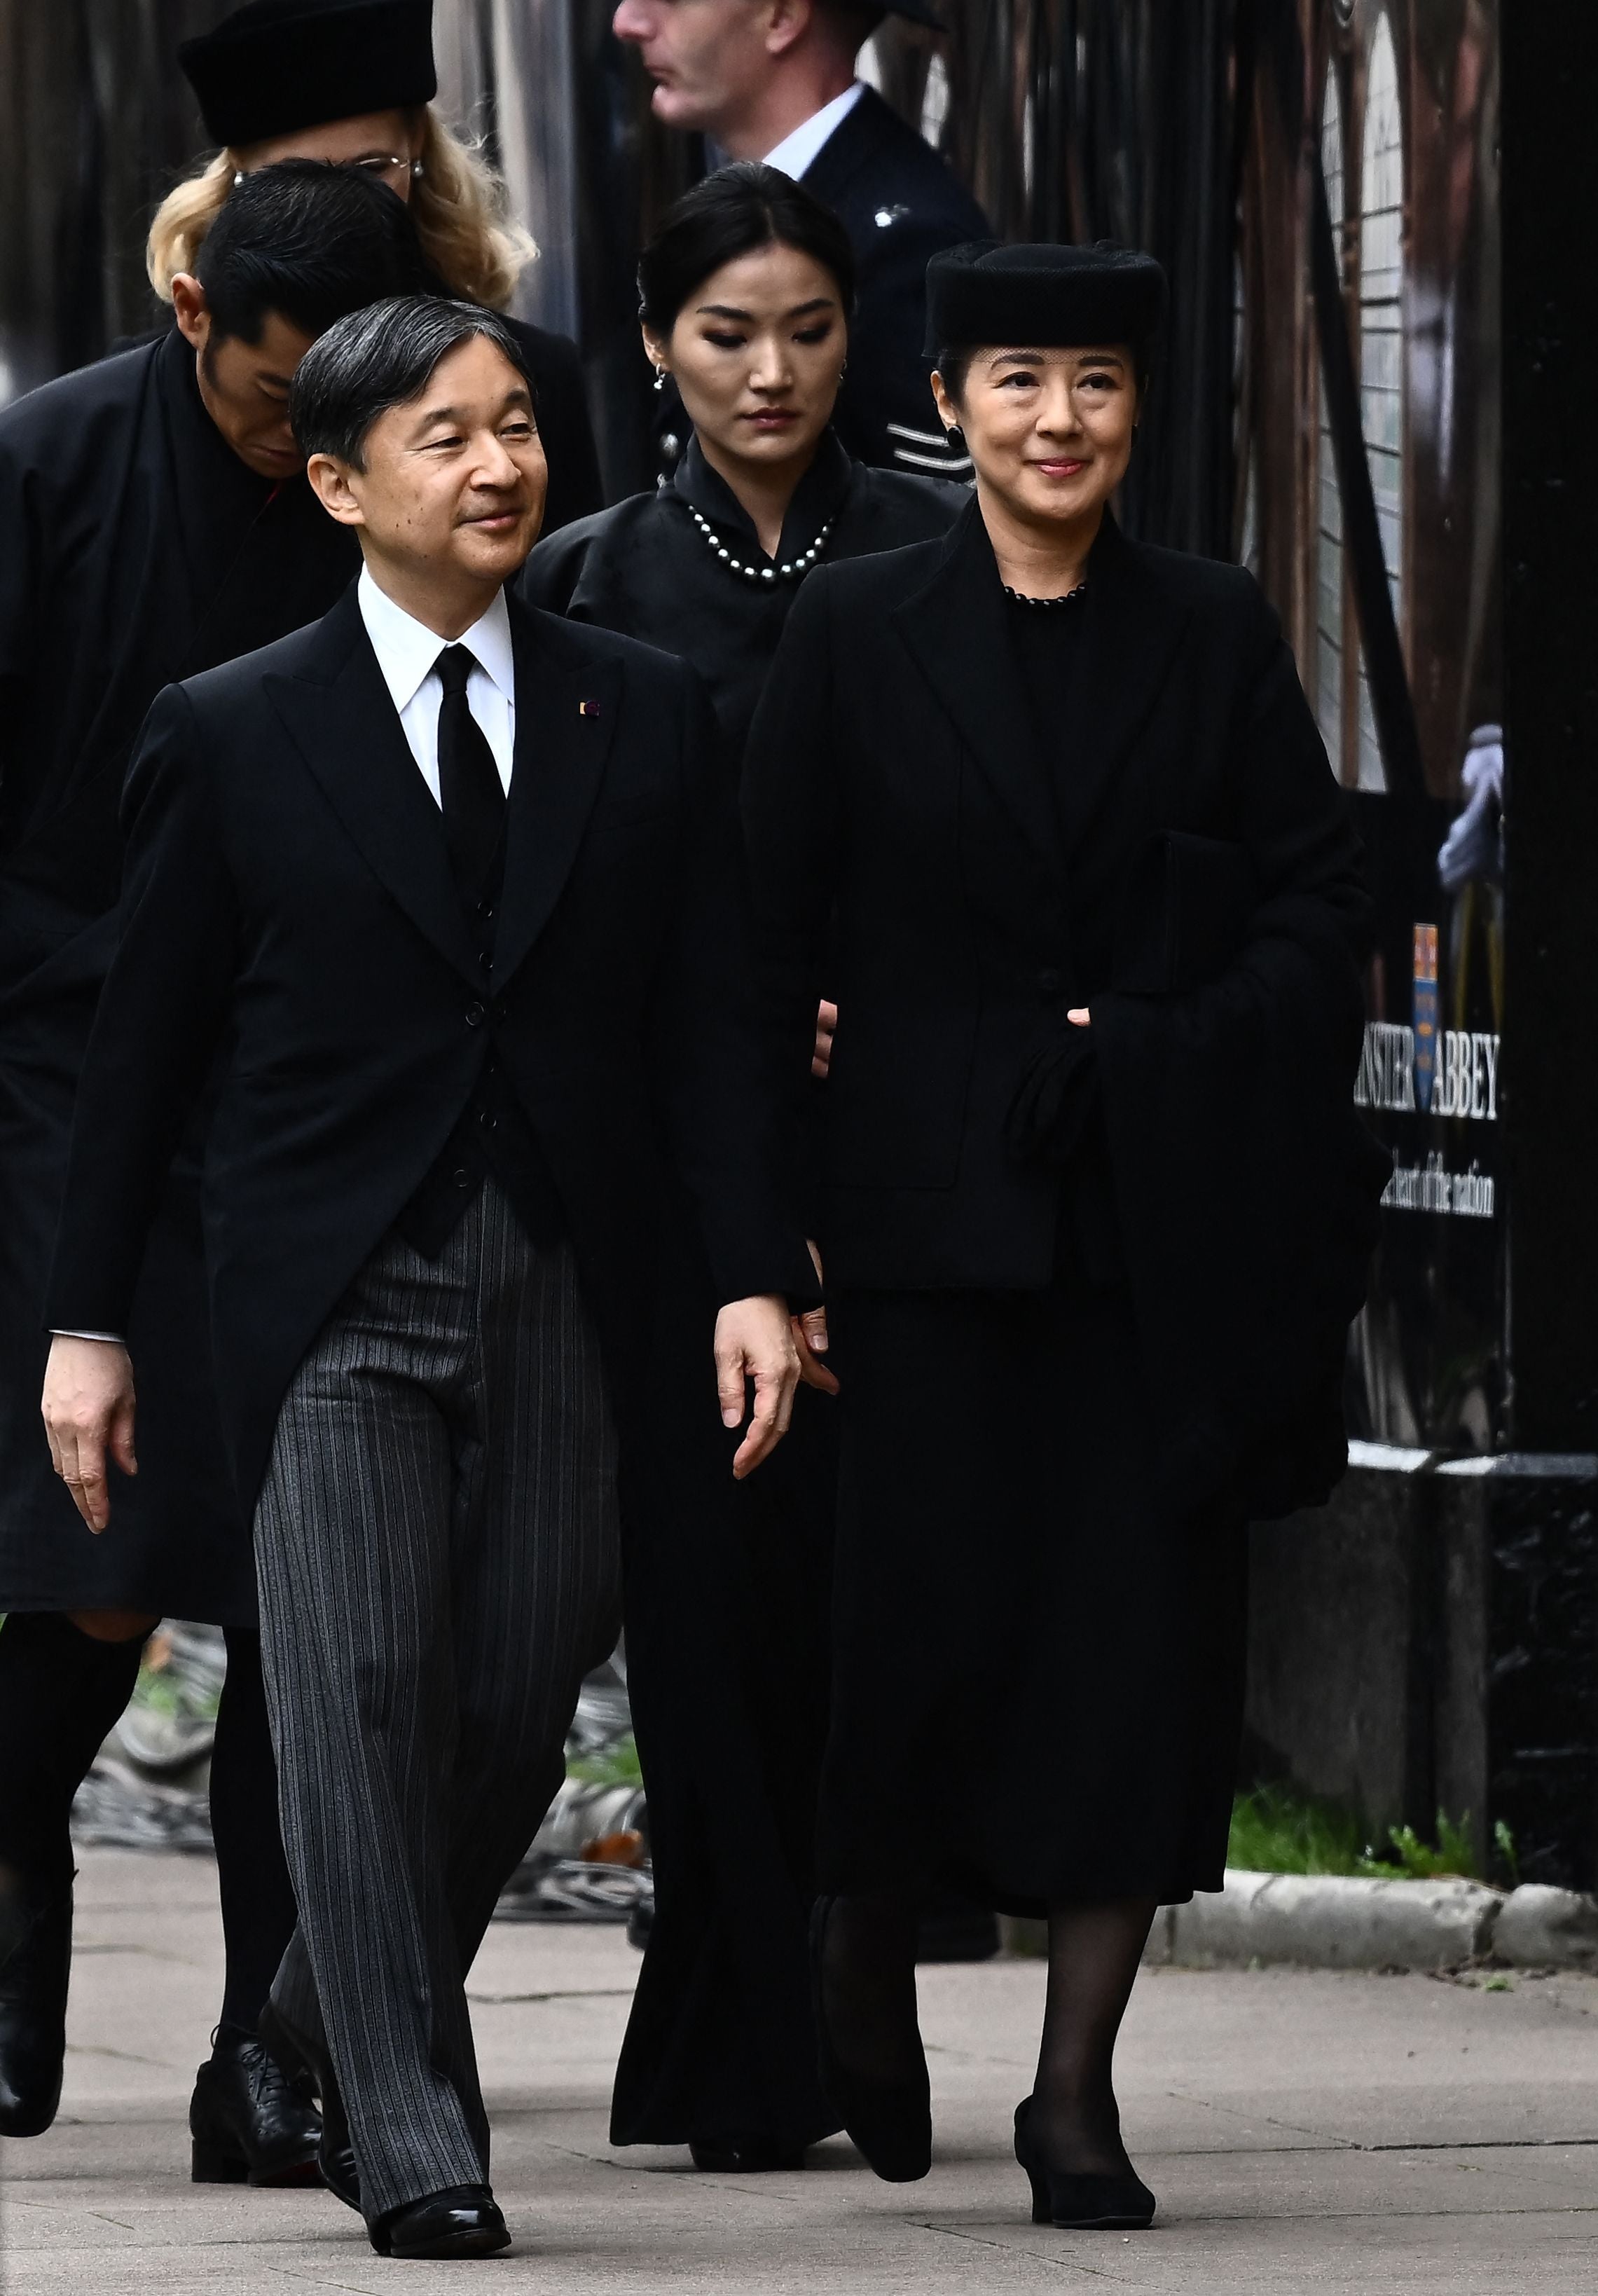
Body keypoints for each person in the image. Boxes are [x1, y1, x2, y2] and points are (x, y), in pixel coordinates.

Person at [40, 294, 818, 2261]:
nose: (498, 466)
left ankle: (298, 2018)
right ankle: (410, 2133)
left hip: (575, 1270)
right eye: (447, 438)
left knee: (522, 1692)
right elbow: (134, 1057)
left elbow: (713, 1023)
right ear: (338, 480)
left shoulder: (634, 702)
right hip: (324, 1295)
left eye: (517, 430)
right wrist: (86, 1320)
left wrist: (750, 1273)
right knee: (363, 1687)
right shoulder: (229, 728)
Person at [742, 241, 1384, 2222]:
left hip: (1144, 1232)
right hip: (917, 1229)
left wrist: (1155, 1038)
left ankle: (1076, 2093)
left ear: (1137, 409)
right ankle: (863, 1942)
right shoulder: (853, 630)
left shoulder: (1207, 630)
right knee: (909, 1640)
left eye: (1096, 383)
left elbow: (1315, 908)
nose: (1058, 420)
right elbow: (761, 940)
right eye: (1018, 379)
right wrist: (773, 1247)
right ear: (947, 403)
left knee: (1135, 1655)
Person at [522, 162, 958, 2171]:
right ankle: (733, 2015)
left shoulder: (932, 547)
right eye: (726, 332)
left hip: (911, 1136)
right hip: (677, 1143)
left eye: (805, 327)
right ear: (655, 346)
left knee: (867, 1588)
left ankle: (822, 1973)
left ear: (855, 334)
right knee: (705, 1582)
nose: (769, 370)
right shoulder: (594, 581)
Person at [0, 165, 436, 2171]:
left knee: (309, 1589)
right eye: (274, 407)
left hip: (315, 1080)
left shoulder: (422, 466)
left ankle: (274, 2052)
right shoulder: (53, 463)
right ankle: (15, 1891)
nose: (301, 448)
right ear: (195, 319)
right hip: (60, 1062)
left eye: (338, 409)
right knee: (98, 1564)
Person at [159, 0, 603, 534]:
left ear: (417, 150)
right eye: (291, 178)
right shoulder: (146, 397)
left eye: (369, 170)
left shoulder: (532, 376)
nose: (340, 202)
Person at [599, 0, 988, 480]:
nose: (627, 20)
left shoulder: (908, 245)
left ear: (780, 15)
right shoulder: (739, 201)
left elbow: (925, 537)